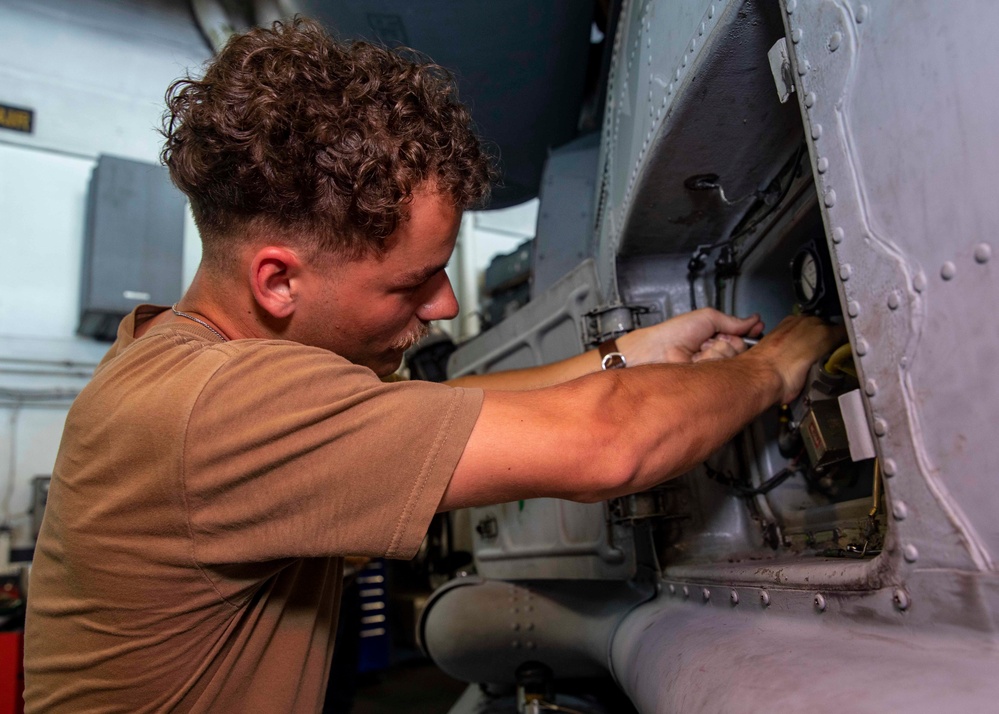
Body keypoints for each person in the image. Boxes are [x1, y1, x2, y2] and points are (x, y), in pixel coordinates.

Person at [23, 17, 842, 714]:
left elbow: (438, 405)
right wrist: (777, 363)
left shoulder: (188, 359)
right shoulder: (216, 408)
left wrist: (623, 355)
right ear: (277, 280)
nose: (445, 306)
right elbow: (607, 447)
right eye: (412, 281)